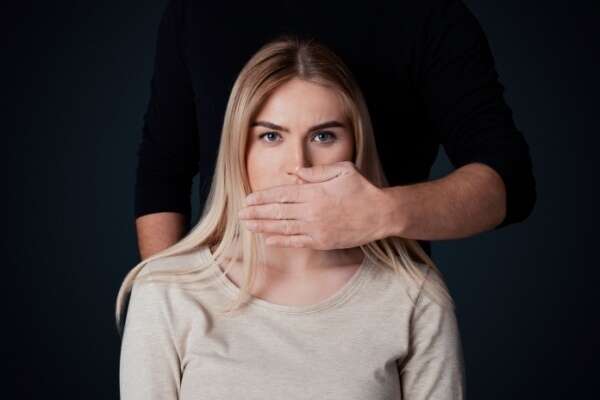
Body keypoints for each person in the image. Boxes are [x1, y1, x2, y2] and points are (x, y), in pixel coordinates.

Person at [116, 36, 466, 399]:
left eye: (323, 136)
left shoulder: (414, 296)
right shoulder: (165, 290)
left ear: (356, 147)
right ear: (238, 148)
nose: (298, 164)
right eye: (271, 136)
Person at [133, 0, 537, 261]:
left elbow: (509, 180)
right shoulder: (197, 11)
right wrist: (163, 304)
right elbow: (162, 173)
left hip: (377, 301)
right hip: (226, 301)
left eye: (324, 136)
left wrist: (382, 212)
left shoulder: (429, 14)